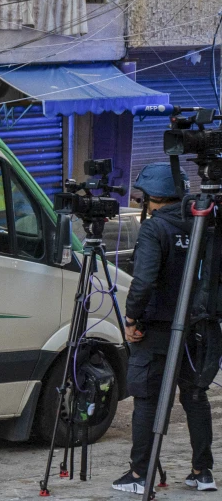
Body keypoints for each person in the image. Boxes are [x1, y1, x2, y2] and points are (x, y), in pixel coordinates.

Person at [112, 163, 216, 494]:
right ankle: (202, 472)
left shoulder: (155, 228)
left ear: (152, 198)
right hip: (201, 328)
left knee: (147, 400)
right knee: (195, 396)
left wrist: (131, 320)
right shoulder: (206, 223)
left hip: (157, 330)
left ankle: (141, 475)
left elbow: (142, 282)